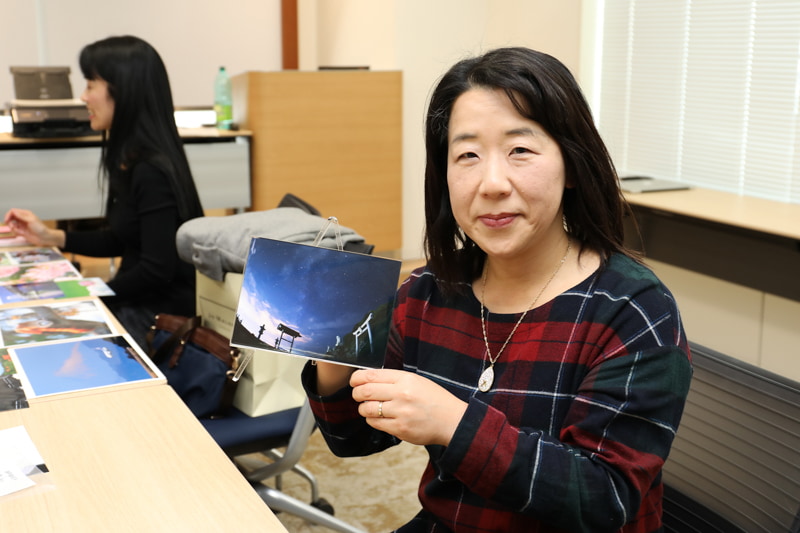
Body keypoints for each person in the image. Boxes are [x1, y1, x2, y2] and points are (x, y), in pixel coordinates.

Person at [302, 47, 693, 533]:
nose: (491, 184)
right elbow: (353, 439)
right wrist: (335, 355)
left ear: (572, 165)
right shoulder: (427, 292)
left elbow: (604, 499)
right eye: (467, 155)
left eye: (519, 151)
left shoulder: (634, 311)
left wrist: (454, 424)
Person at [4, 35, 204, 349]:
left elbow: (156, 270)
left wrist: (92, 293)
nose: (83, 97)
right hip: (136, 301)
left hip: (158, 318)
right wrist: (51, 236)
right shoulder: (128, 158)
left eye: (90, 85)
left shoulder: (151, 169)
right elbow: (123, 239)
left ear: (123, 91)